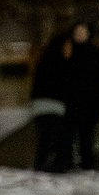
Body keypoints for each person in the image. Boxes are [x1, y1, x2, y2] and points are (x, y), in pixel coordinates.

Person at [62, 22, 99, 169]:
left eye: (83, 32)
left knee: (86, 137)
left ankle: (87, 166)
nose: (79, 35)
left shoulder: (95, 54)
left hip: (88, 103)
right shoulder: (67, 52)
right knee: (68, 136)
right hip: (69, 102)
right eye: (77, 32)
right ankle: (68, 164)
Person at [28, 29, 75, 173]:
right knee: (56, 139)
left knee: (45, 140)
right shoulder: (61, 64)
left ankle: (42, 164)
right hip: (53, 106)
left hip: (40, 106)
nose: (69, 50)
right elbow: (64, 87)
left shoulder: (44, 61)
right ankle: (54, 166)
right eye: (67, 46)